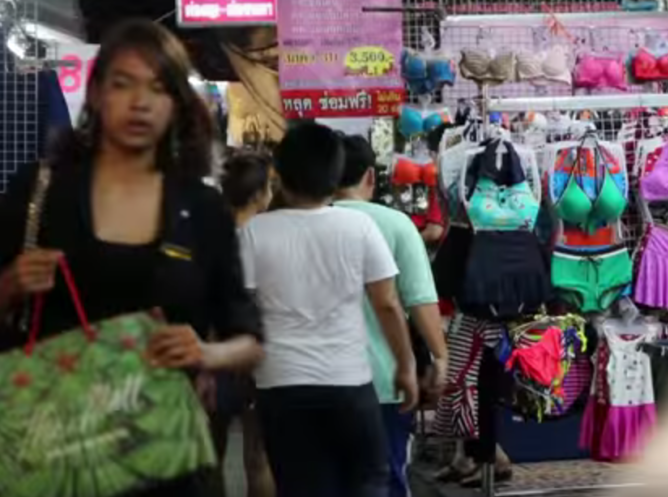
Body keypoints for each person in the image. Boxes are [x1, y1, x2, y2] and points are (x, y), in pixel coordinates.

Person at [0, 20, 265, 497]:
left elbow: (249, 338)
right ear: (97, 93)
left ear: (175, 106)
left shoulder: (202, 210)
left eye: (158, 87)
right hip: (56, 450)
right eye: (123, 83)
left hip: (165, 452)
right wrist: (8, 285)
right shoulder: (40, 193)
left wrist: (206, 353)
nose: (140, 101)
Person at [239, 122, 418, 497]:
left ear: (280, 175)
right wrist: (406, 365)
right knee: (368, 483)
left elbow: (241, 308)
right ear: (336, 174)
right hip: (349, 383)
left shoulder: (255, 233)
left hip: (281, 386)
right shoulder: (359, 226)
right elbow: (386, 303)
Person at [333, 135, 449, 497]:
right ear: (371, 176)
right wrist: (440, 357)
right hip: (385, 381)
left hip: (313, 380)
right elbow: (420, 300)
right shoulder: (396, 224)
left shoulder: (302, 224)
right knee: (384, 480)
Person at [207, 151, 276, 497]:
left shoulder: (207, 237)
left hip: (212, 356)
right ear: (258, 194)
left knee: (211, 456)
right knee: (259, 456)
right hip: (256, 357)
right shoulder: (268, 236)